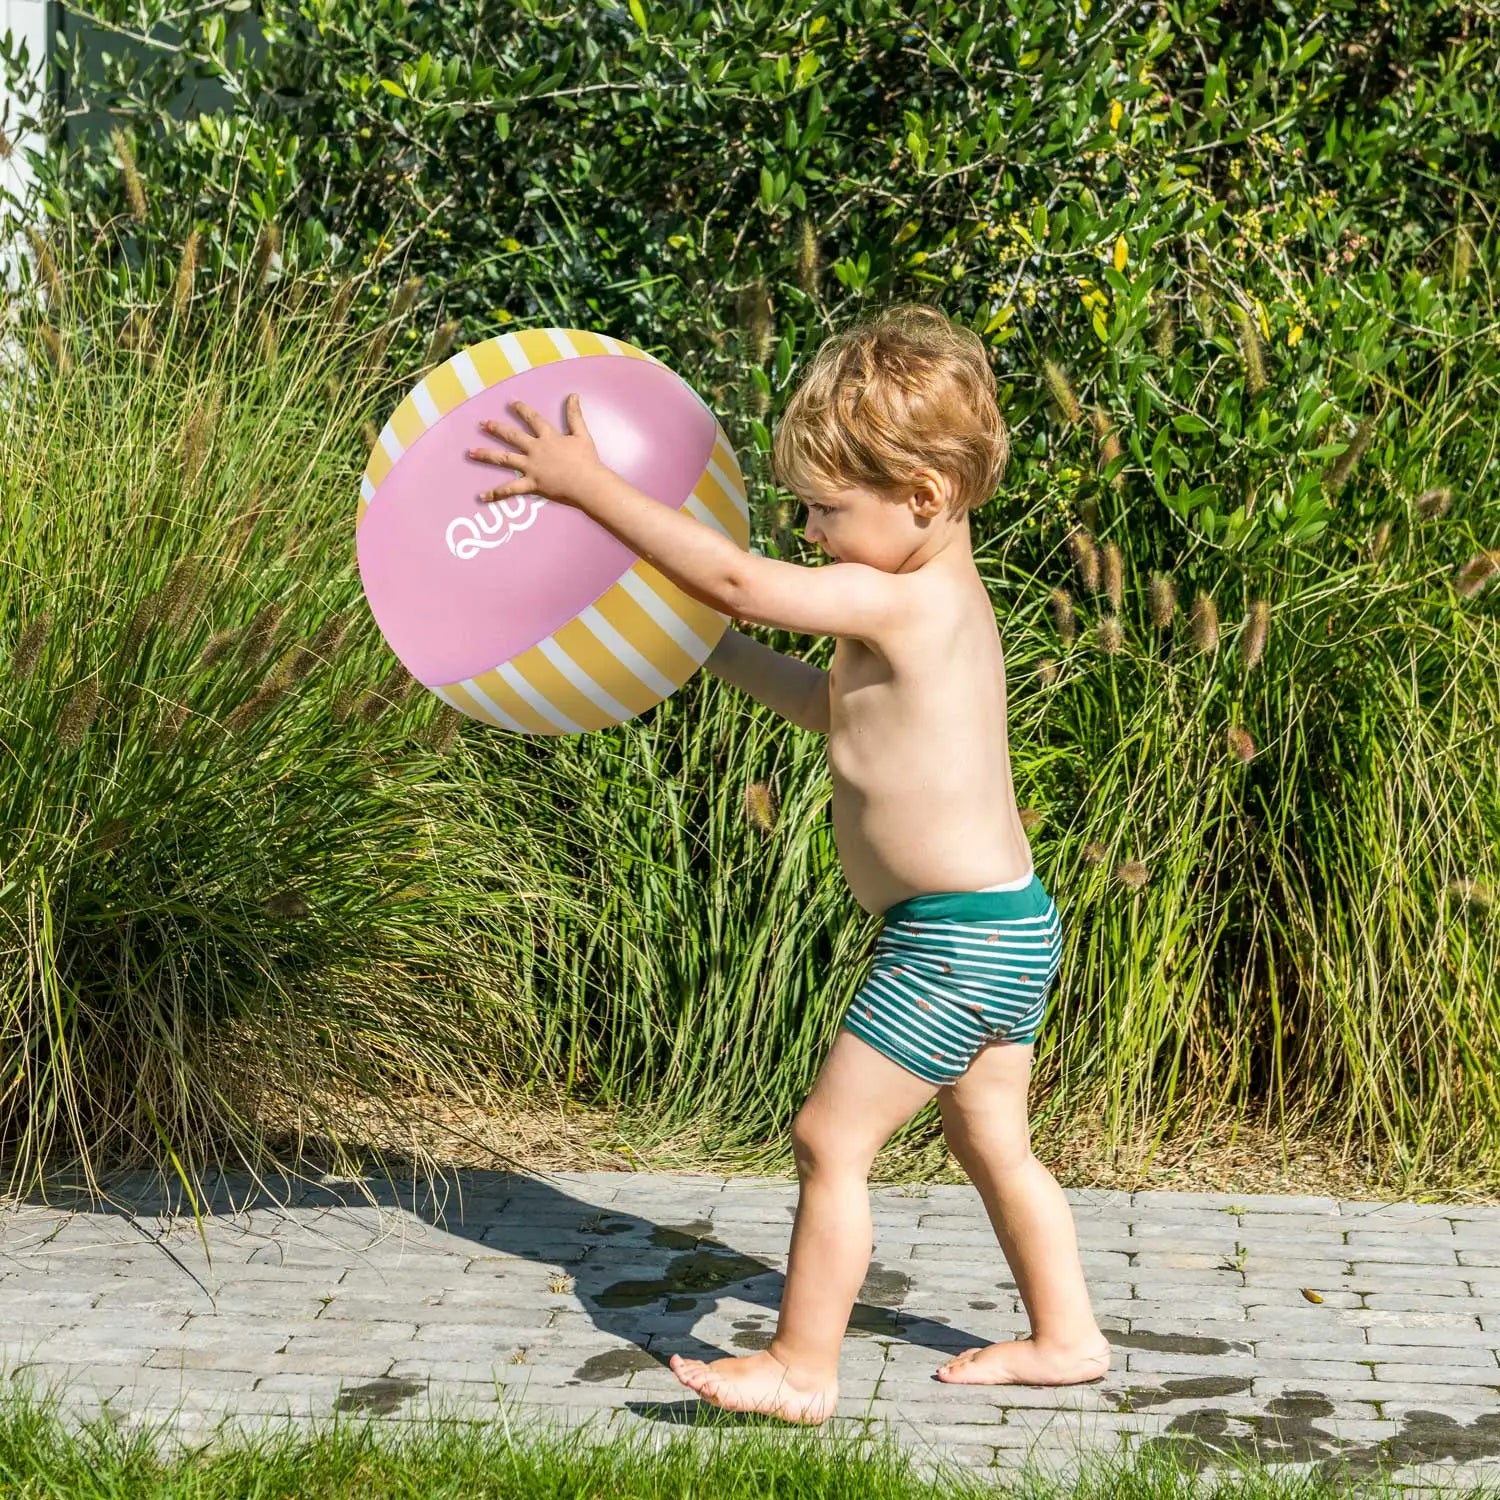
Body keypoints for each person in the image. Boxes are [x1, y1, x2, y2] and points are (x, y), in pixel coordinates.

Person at [466, 303, 1111, 1426]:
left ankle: (802, 1367)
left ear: (923, 497)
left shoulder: (903, 600)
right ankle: (1067, 1336)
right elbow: (825, 703)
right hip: (1006, 921)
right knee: (990, 1137)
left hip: (953, 937)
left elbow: (741, 579)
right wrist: (711, 650)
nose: (808, 531)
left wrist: (586, 486)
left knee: (830, 1136)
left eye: (824, 509)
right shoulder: (926, 608)